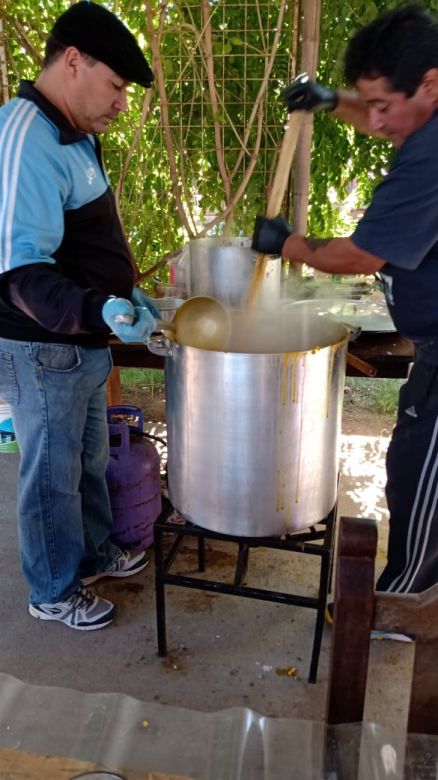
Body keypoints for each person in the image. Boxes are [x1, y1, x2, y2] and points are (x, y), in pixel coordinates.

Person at [252, 5, 438, 604]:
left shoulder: (431, 156)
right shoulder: (419, 120)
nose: (376, 119)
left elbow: (361, 255)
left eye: (383, 104)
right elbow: (383, 114)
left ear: (430, 84)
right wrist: (329, 99)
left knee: (423, 480)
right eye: (369, 102)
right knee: (413, 466)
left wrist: (290, 244)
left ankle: (400, 607)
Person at [0, 1, 160, 630]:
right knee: (51, 473)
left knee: (86, 460)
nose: (122, 104)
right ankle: (53, 589)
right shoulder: (24, 136)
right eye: (117, 86)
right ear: (73, 62)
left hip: (84, 340)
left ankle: (92, 554)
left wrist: (125, 296)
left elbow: (85, 234)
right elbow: (19, 271)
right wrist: (101, 305)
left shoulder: (74, 131)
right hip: (41, 346)